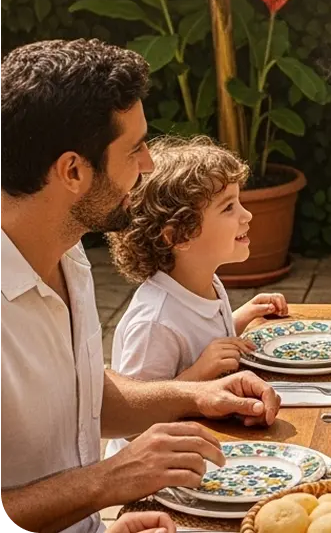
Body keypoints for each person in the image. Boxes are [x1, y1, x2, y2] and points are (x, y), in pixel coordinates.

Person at [0, 39, 281, 533]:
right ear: (73, 171)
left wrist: (197, 395)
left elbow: (80, 395)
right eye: (135, 148)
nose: (150, 164)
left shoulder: (67, 254)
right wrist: (107, 481)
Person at [104, 137, 289, 458]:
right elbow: (132, 424)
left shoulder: (204, 282)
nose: (247, 216)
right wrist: (199, 374)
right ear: (179, 236)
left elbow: (196, 336)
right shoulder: (154, 322)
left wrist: (238, 319)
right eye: (229, 207)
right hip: (154, 479)